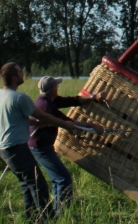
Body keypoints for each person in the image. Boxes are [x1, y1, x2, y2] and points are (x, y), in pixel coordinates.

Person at [0, 62, 99, 222]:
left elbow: (14, 120)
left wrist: (34, 123)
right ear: (14, 78)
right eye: (20, 71)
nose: (23, 73)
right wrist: (66, 125)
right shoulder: (20, 98)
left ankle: (32, 219)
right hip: (16, 148)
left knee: (27, 185)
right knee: (38, 185)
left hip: (4, 148)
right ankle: (48, 222)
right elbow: (44, 116)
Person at [29, 75, 104, 214]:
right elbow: (68, 123)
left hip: (41, 145)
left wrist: (93, 97)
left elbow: (73, 100)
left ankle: (57, 211)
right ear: (52, 89)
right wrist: (93, 127)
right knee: (63, 178)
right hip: (40, 147)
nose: (58, 88)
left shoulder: (48, 100)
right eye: (56, 86)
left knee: (58, 178)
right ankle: (61, 213)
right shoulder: (46, 106)